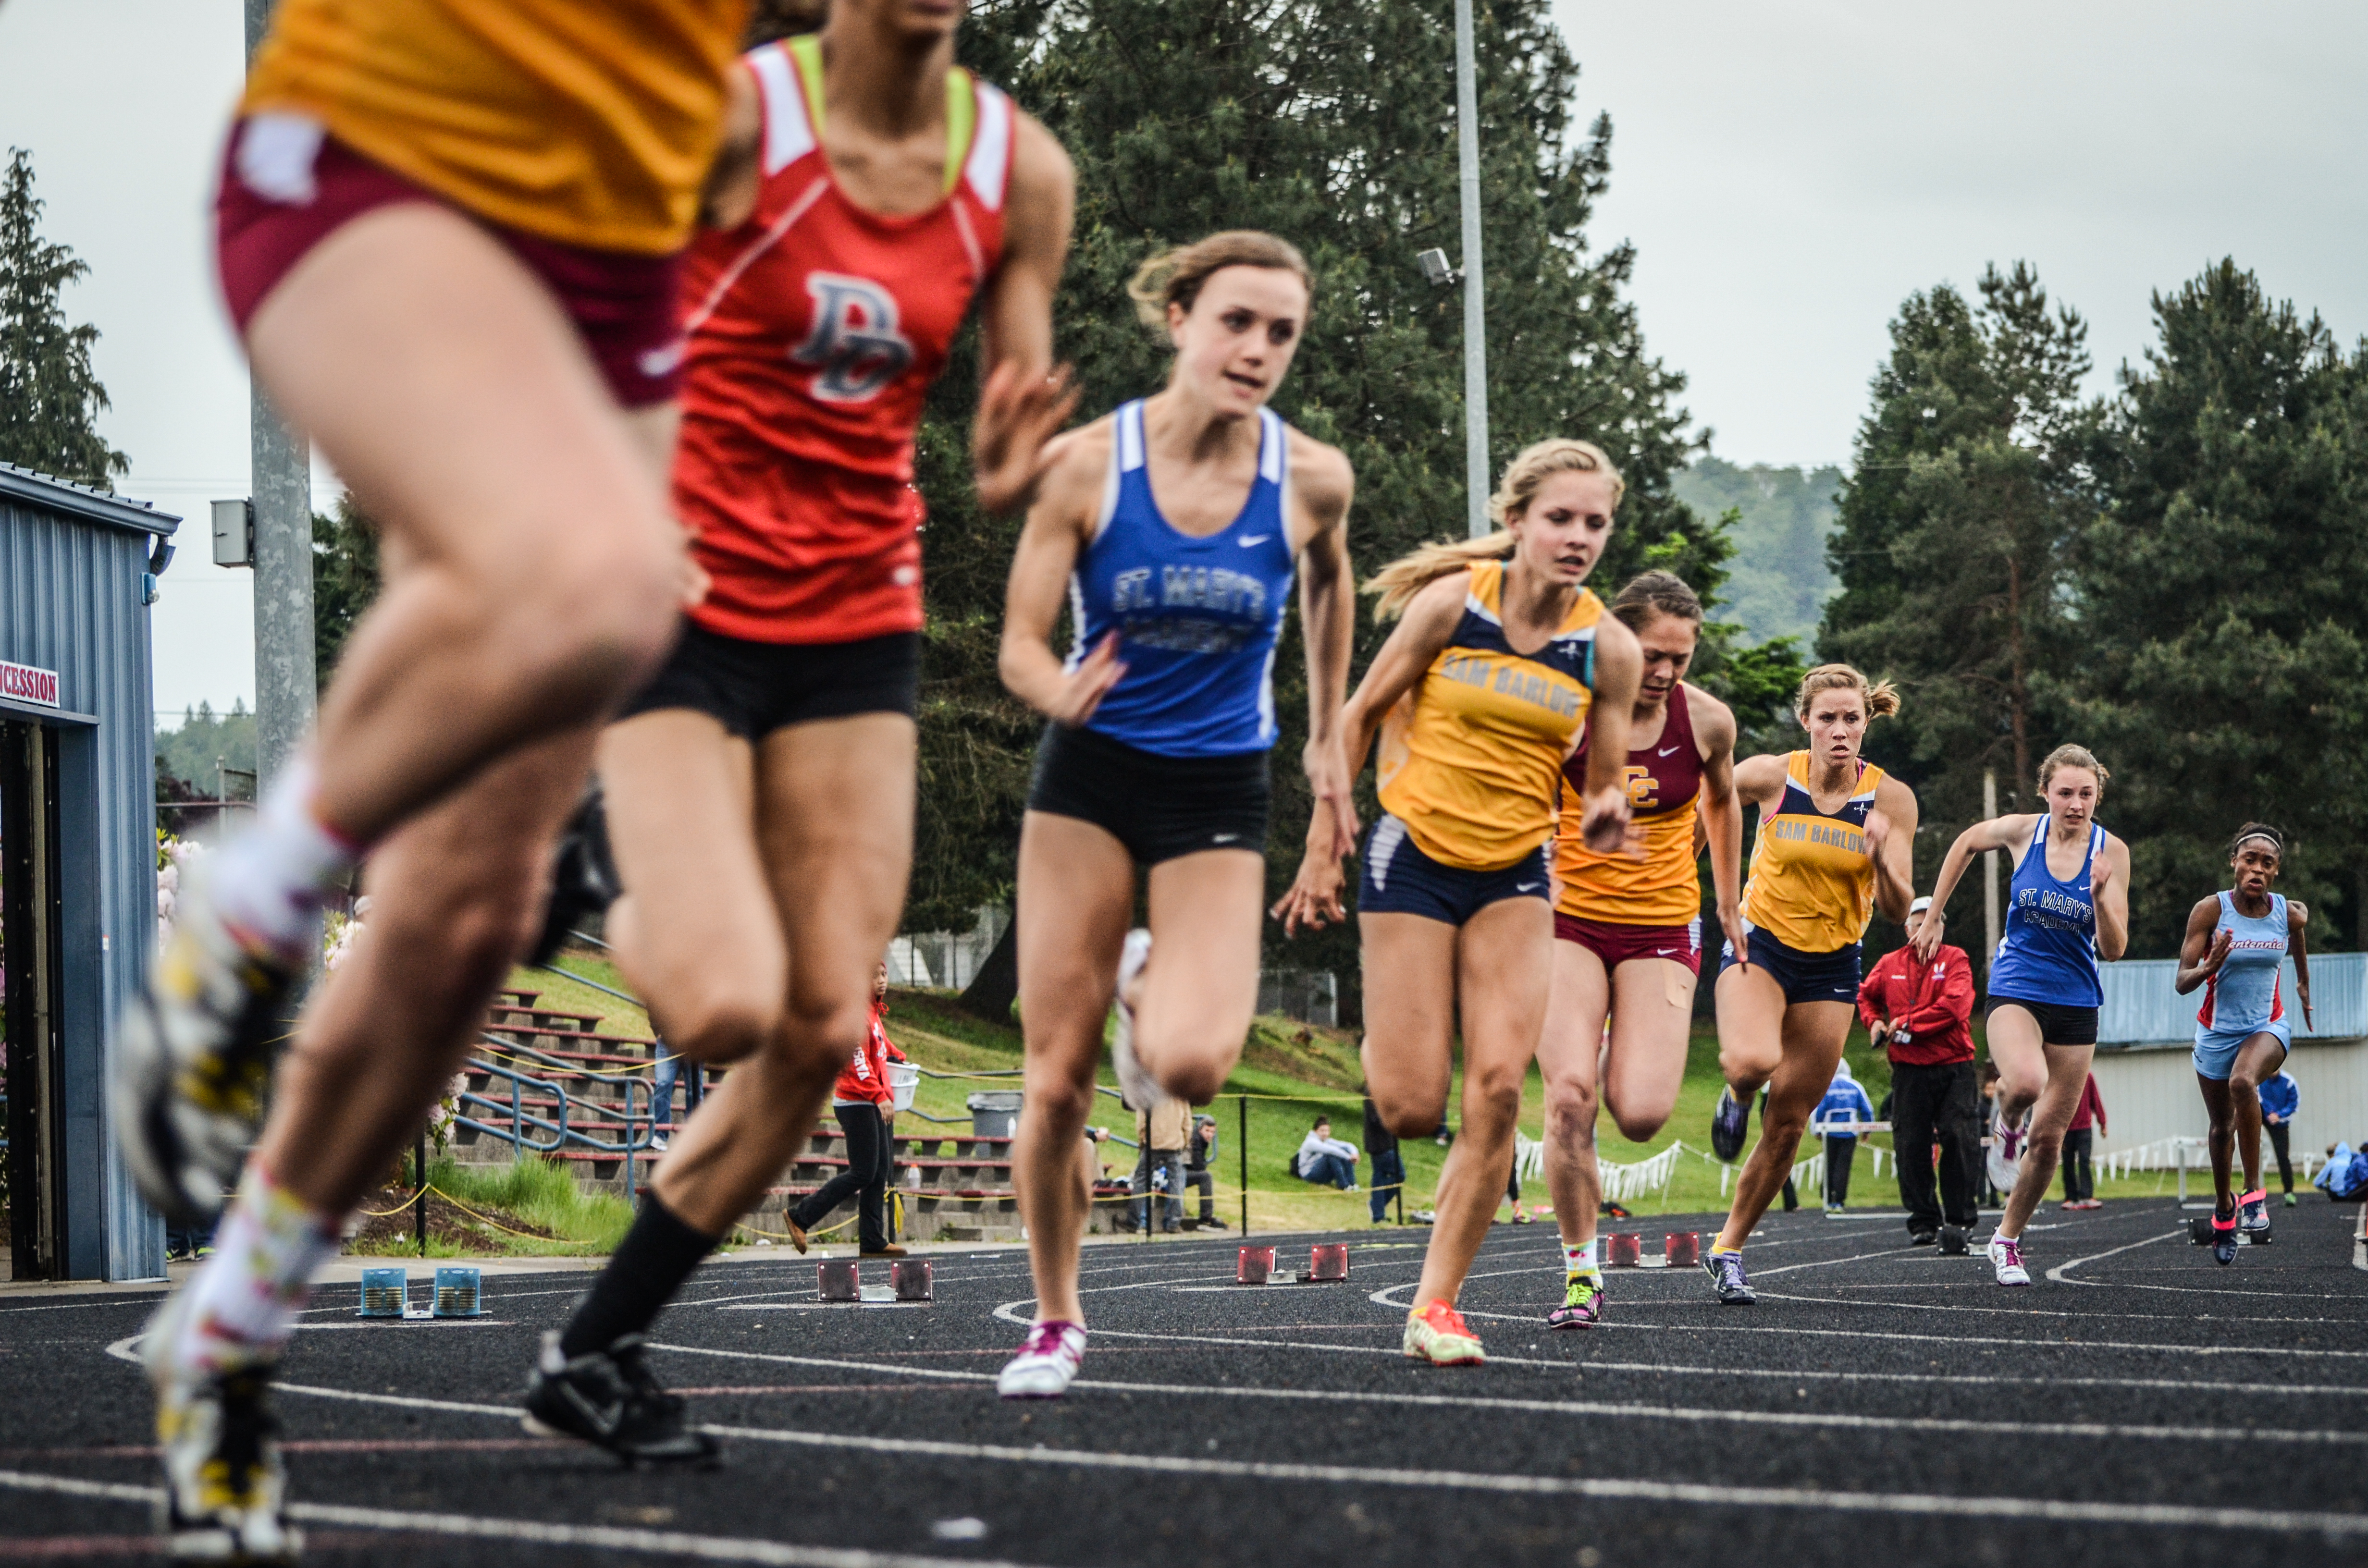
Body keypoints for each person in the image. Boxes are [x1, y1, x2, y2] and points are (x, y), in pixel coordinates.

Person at [119, 1, 756, 1552]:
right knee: (608, 579)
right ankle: (247, 890)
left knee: (467, 911)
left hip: (603, 262)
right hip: (380, 159)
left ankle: (222, 1340)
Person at [520, 0, 1078, 1460]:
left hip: (852, 618)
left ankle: (594, 1345)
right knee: (711, 1008)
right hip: (686, 591)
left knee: (821, 1022)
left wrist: (1013, 451)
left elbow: (999, 421)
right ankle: (594, 847)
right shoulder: (731, 120)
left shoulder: (1018, 172)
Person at [993, 231, 1357, 1399]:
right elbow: (1018, 642)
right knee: (1054, 1084)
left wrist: (1326, 737)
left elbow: (1333, 581)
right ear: (1180, 318)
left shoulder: (1309, 479)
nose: (1257, 350)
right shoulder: (1086, 467)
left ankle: (1148, 978)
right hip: (1090, 775)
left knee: (1190, 1064)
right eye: (1237, 322)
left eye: (1282, 333)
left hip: (1216, 782)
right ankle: (1056, 1319)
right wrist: (1059, 686)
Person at [1274, 438, 1644, 1364]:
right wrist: (1327, 836)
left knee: (1493, 1091)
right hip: (1413, 854)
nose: (1578, 536)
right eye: (1559, 517)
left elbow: (1599, 780)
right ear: (1516, 519)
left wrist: (1605, 817)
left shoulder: (1608, 646)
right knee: (1405, 1104)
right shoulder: (1453, 604)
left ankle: (1434, 1304)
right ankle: (1395, 1034)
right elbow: (1356, 716)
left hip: (1516, 872)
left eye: (1594, 522)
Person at [1534, 570, 1743, 1329]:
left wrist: (1727, 898)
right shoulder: (1565, 712)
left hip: (1661, 926)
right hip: (1566, 922)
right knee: (1568, 1102)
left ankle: (1616, 1037)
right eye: (1652, 655)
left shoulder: (1708, 723)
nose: (1662, 673)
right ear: (1616, 640)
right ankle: (1582, 1274)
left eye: (1679, 660)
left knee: (1643, 1114)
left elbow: (1721, 800)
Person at [1701, 665, 1918, 1305]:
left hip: (1832, 966)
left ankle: (1729, 1249)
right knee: (1751, 1062)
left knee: (1792, 1123)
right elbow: (1706, 798)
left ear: (1867, 723)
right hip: (1760, 943)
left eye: (1852, 718)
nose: (1840, 731)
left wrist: (1880, 856)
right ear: (1806, 722)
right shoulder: (1773, 775)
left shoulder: (1891, 800)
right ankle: (1737, 1096)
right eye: (1828, 718)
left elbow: (1897, 909)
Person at [1913, 744, 2129, 1287]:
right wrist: (1934, 915)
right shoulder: (2021, 833)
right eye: (2065, 793)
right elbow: (1964, 843)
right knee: (2026, 1083)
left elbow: (2114, 948)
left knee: (2051, 1142)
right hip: (2016, 989)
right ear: (2045, 793)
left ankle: (2006, 1240)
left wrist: (2101, 898)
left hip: (2077, 1002)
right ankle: (2006, 1121)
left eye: (2086, 794)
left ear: (2097, 795)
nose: (2075, 804)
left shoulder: (2112, 851)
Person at [2174, 823, 2311, 1264]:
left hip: (2267, 1026)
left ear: (2276, 872)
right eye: (2249, 860)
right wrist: (2210, 965)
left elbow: (2299, 943)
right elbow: (2181, 982)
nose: (2257, 868)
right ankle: (2223, 1208)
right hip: (2215, 1033)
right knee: (2220, 1129)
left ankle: (2254, 1195)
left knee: (2243, 1083)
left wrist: (2304, 986)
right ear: (2234, 863)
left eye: (2267, 863)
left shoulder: (2286, 914)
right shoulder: (2210, 911)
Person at [1857, 896, 1978, 1244]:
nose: (1925, 928)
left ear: (1941, 928)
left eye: (1933, 922)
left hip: (1954, 1066)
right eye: (1919, 922)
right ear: (1907, 927)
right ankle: (1924, 1221)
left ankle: (1960, 1220)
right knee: (1911, 1145)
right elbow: (1865, 996)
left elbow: (1955, 1007)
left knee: (1958, 1137)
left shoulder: (1956, 959)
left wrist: (1907, 1023)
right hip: (1909, 1070)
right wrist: (1875, 1023)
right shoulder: (1889, 963)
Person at [782, 963, 907, 1257]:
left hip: (872, 1102)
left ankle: (872, 1240)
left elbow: (880, 1045)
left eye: (884, 975)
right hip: (856, 1103)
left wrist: (898, 1056)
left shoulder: (873, 1013)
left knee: (879, 1172)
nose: (881, 982)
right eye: (873, 975)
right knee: (864, 1172)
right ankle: (801, 1216)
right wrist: (880, 1096)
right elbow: (858, 1064)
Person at [1813, 1060, 1875, 1213]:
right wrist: (1867, 1130)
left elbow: (1818, 1111)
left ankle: (1827, 1199)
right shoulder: (1856, 1086)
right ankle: (1839, 1201)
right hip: (1850, 1133)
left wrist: (1816, 1130)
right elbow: (1867, 1110)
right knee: (1843, 1167)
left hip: (1830, 1133)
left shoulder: (1827, 1087)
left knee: (1829, 1165)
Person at [1133, 1099, 1193, 1231]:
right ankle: (1173, 1223)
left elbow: (1141, 1121)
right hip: (1175, 1145)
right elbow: (1188, 1123)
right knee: (1176, 1184)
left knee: (1141, 1181)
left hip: (1152, 1144)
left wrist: (1142, 1139)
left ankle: (1137, 1222)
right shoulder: (1180, 1095)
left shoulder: (1149, 1091)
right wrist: (1186, 1142)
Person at [2060, 1074, 2106, 1209]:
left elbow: (2095, 1099)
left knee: (2084, 1160)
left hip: (2084, 1127)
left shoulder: (2088, 1077)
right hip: (2066, 1129)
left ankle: (2087, 1196)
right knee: (2068, 1163)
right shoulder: (2062, 1077)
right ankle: (2071, 1198)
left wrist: (2102, 1123)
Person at [2261, 1067, 2301, 1206]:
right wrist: (2269, 1113)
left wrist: (2279, 1115)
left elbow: (2294, 1105)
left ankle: (2289, 1192)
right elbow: (2259, 1099)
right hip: (2264, 1115)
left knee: (2283, 1157)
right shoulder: (2261, 1080)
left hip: (2280, 1123)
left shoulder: (2289, 1082)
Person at [1364, 1092, 1403, 1225]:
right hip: (1380, 1144)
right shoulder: (1372, 1091)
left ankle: (1378, 1213)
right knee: (1399, 1174)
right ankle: (1377, 1207)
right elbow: (1375, 1118)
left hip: (1382, 1142)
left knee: (1379, 1176)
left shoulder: (1376, 1089)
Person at [1183, 1114, 1226, 1229]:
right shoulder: (1196, 1140)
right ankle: (1206, 1218)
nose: (1210, 1135)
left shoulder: (1200, 1140)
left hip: (1180, 1172)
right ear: (1199, 1129)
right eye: (1207, 1131)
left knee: (1205, 1177)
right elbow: (1198, 1166)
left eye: (1212, 1132)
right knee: (1206, 1177)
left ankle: (1207, 1217)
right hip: (1175, 1174)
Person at [1296, 1116, 1361, 1189]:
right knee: (1331, 1155)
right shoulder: (1311, 1142)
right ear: (1315, 1131)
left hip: (1322, 1174)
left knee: (1344, 1150)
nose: (1325, 1133)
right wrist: (1349, 1158)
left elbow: (1348, 1145)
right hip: (1309, 1174)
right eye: (1322, 1131)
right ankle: (1343, 1185)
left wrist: (1354, 1154)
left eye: (1327, 1131)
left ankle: (1352, 1183)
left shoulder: (1326, 1140)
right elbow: (1331, 1150)